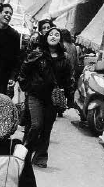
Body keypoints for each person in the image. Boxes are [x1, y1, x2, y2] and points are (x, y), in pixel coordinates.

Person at [18, 26, 74, 168]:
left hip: (52, 99)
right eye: (51, 34)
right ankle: (25, 153)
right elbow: (24, 70)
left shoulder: (65, 58)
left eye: (57, 35)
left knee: (47, 128)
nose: (53, 36)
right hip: (35, 95)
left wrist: (69, 96)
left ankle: (41, 157)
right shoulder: (37, 54)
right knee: (36, 125)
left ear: (60, 39)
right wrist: (27, 87)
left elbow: (68, 79)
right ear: (46, 37)